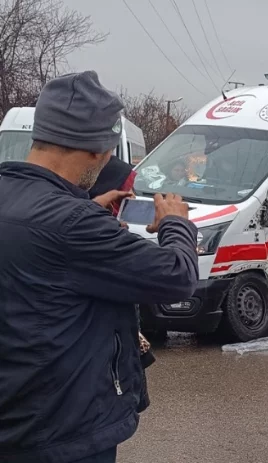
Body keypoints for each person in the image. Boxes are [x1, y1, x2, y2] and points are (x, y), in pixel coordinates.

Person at [0, 71, 200, 463]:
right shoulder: (73, 225)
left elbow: (37, 240)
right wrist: (177, 222)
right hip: (59, 431)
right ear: (96, 150)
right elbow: (177, 277)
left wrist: (89, 211)